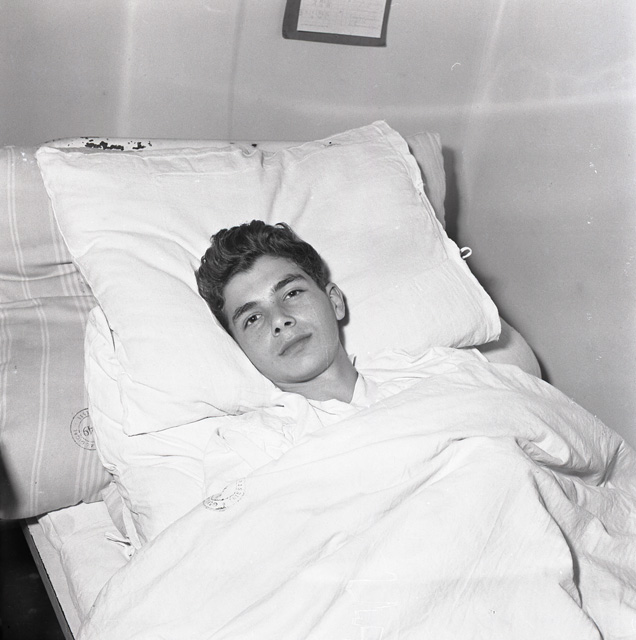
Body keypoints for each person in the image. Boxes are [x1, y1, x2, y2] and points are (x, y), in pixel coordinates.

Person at [196, 220, 359, 404]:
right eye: (253, 318)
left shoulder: (389, 376)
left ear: (335, 301)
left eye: (292, 294)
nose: (279, 320)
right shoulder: (259, 425)